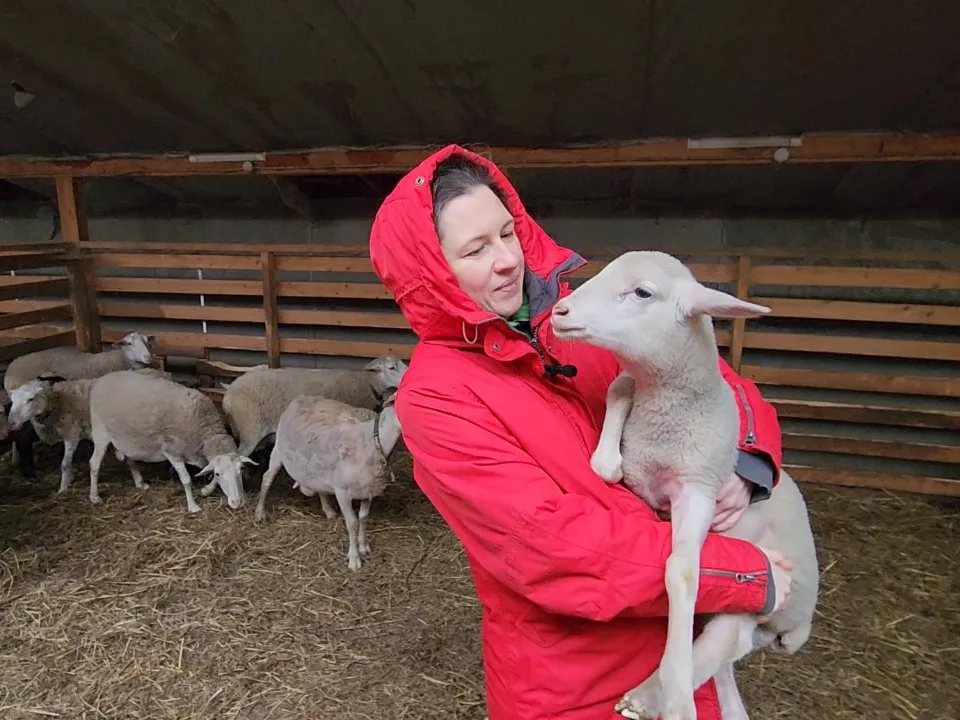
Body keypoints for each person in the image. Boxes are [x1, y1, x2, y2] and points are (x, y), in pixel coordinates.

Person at [368, 144, 791, 720]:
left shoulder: (586, 317)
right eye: (476, 249)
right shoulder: (437, 396)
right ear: (432, 272)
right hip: (573, 680)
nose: (507, 259)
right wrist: (742, 573)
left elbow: (710, 382)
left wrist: (741, 462)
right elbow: (554, 550)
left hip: (683, 654)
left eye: (508, 233)